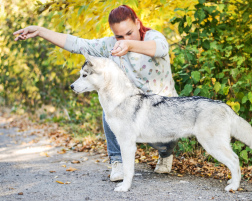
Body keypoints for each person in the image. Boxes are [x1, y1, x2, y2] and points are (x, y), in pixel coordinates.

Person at [14, 5, 178, 182]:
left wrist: (129, 44)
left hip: (161, 106)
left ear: (138, 23)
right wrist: (40, 30)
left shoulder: (153, 37)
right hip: (130, 106)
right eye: (119, 36)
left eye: (129, 33)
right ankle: (117, 162)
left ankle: (165, 154)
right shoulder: (110, 45)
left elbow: (161, 48)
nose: (123, 39)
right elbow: (77, 44)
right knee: (111, 105)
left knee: (164, 142)